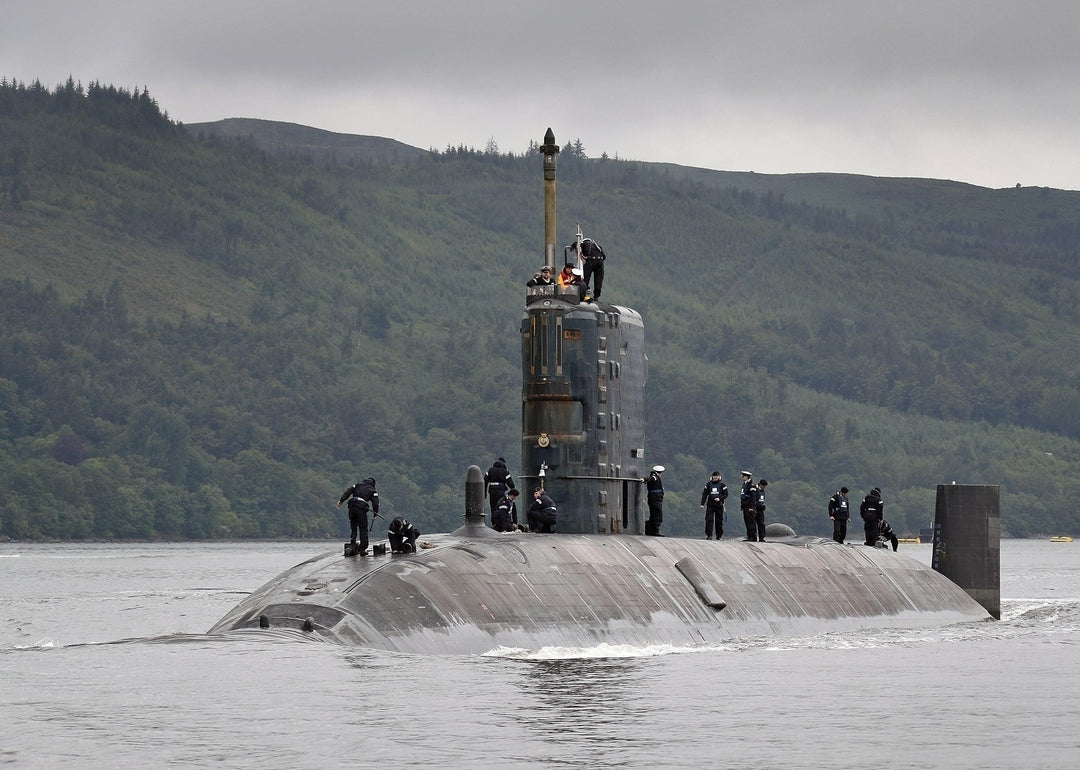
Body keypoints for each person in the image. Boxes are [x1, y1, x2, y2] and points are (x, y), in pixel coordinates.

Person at [337, 477, 379, 554]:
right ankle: (362, 549)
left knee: (353, 525)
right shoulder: (373, 490)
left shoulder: (357, 485)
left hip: (352, 505)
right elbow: (375, 503)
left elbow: (348, 492)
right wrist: (375, 514)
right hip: (361, 508)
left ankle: (352, 543)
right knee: (363, 528)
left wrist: (341, 500)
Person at [700, 471, 728, 540]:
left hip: (719, 505)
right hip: (710, 505)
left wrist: (719, 498)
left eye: (716, 476)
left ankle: (719, 536)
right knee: (709, 520)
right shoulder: (708, 485)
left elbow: (726, 494)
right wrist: (702, 504)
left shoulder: (722, 485)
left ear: (719, 477)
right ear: (712, 477)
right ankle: (709, 535)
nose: (715, 477)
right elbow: (704, 494)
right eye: (714, 476)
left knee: (719, 521)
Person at [645, 465, 665, 536]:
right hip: (655, 499)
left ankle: (649, 529)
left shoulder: (656, 477)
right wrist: (644, 479)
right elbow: (649, 478)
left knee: (653, 515)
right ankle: (655, 531)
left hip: (654, 499)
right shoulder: (655, 477)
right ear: (660, 472)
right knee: (657, 515)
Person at [739, 470, 759, 541]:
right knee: (747, 521)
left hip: (749, 507)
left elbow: (753, 497)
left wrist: (751, 507)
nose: (742, 477)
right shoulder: (744, 484)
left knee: (751, 522)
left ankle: (753, 537)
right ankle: (749, 536)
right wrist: (742, 506)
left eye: (743, 476)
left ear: (747, 477)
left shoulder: (751, 485)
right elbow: (743, 496)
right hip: (745, 506)